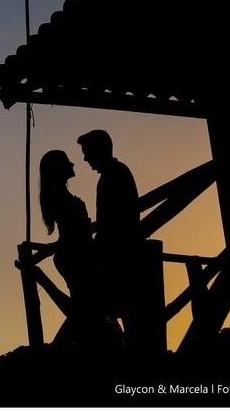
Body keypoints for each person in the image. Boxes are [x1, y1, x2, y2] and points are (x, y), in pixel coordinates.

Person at [76, 130, 139, 320]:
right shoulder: (116, 172)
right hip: (120, 252)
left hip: (119, 255)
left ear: (99, 150)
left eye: (87, 152)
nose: (85, 158)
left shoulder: (112, 176)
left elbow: (110, 224)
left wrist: (95, 248)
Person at [38, 150, 95, 305]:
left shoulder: (60, 197)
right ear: (57, 168)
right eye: (66, 162)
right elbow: (73, 233)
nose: (72, 164)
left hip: (74, 253)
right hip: (74, 255)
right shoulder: (61, 200)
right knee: (86, 305)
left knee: (85, 305)